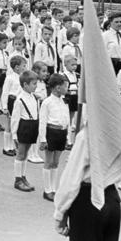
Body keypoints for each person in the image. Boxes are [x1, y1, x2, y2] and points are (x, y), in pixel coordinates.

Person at [54, 120, 121, 241]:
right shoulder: (118, 130)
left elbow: (72, 177)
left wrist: (60, 212)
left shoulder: (87, 136)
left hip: (88, 200)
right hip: (111, 196)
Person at [38, 74, 70, 202]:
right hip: (51, 132)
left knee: (56, 162)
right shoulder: (47, 102)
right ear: (57, 87)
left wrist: (68, 136)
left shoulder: (64, 101)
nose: (67, 88)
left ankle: (53, 188)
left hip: (62, 132)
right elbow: (42, 121)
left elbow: (67, 119)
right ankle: (47, 190)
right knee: (48, 161)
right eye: (65, 86)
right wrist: (43, 139)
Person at [11, 70, 39, 192]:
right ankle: (18, 179)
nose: (36, 86)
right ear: (25, 85)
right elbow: (15, 118)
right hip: (24, 127)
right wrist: (14, 134)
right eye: (34, 84)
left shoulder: (33, 97)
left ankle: (23, 176)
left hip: (32, 126)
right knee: (20, 154)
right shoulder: (20, 99)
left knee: (26, 153)